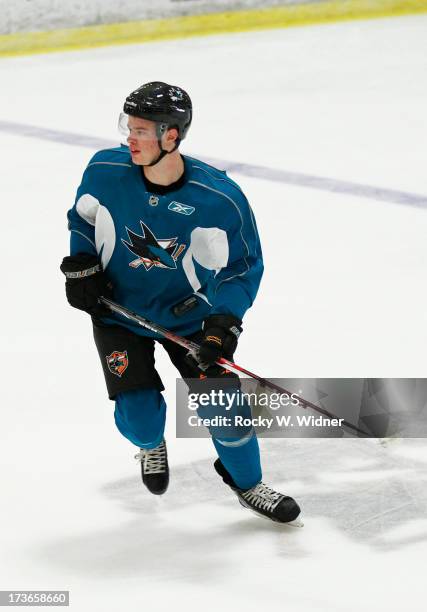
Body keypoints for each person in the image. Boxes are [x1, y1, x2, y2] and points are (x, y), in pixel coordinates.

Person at [60, 81, 301, 526]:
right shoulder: (105, 169)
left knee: (224, 413)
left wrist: (223, 324)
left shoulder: (218, 198)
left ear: (171, 136)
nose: (129, 138)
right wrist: (81, 265)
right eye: (127, 126)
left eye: (141, 130)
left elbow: (241, 267)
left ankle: (247, 485)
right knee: (140, 421)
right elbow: (84, 218)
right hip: (119, 313)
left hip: (189, 320)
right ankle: (151, 445)